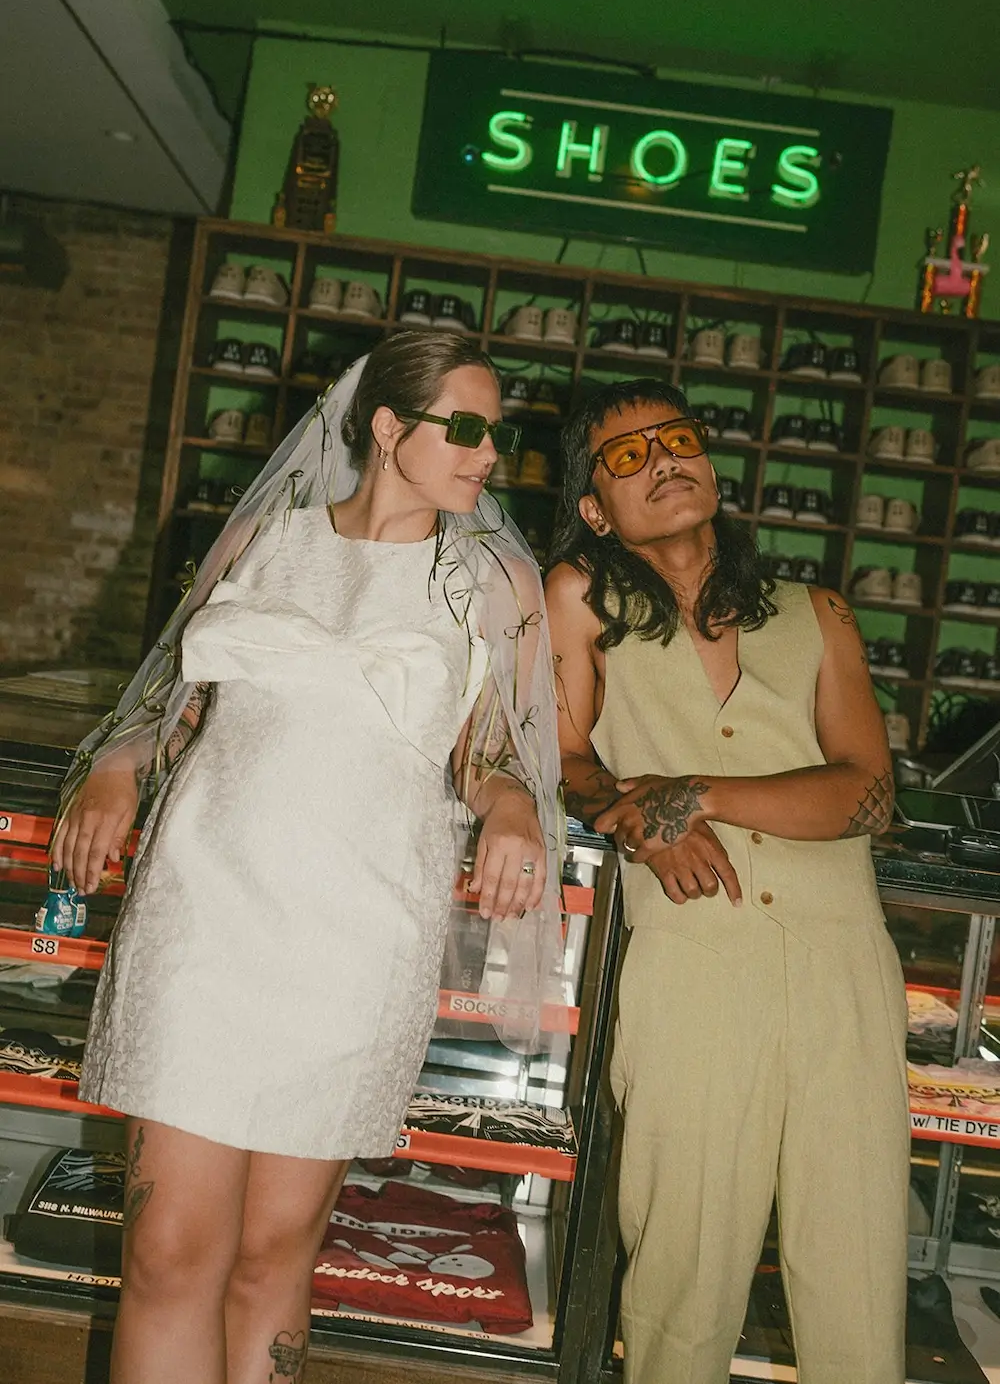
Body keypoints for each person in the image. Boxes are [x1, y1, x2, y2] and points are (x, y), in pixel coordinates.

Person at [53, 331, 564, 1384]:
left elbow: (498, 751)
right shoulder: (263, 543)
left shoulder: (493, 580)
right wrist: (117, 764)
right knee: (164, 1250)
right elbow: (164, 704)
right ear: (387, 428)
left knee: (271, 1255)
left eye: (494, 436)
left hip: (358, 931)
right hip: (205, 912)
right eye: (463, 428)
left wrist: (513, 802)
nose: (485, 456)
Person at [544, 377, 909, 1384]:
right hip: (692, 965)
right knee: (681, 1277)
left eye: (677, 439)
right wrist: (635, 816)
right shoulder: (578, 600)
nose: (662, 459)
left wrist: (692, 792)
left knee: (858, 1267)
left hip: (843, 966)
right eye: (626, 454)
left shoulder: (815, 613)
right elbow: (561, 757)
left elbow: (869, 797)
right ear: (592, 506)